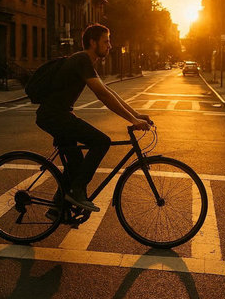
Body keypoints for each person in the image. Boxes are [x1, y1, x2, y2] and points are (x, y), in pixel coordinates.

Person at [36, 24, 152, 215]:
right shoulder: (82, 59)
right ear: (93, 42)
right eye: (106, 41)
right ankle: (76, 192)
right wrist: (132, 119)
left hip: (58, 115)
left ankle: (57, 209)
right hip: (54, 116)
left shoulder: (86, 61)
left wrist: (136, 115)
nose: (110, 45)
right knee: (101, 141)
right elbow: (102, 96)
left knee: (75, 164)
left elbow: (108, 91)